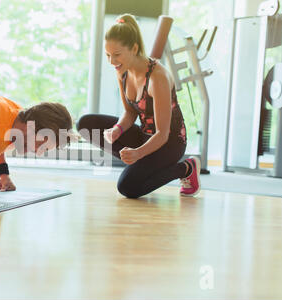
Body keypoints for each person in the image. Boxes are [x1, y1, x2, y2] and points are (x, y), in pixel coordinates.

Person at [77, 14, 201, 199]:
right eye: (108, 55)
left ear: (134, 49)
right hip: (145, 136)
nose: (112, 61)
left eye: (117, 55)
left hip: (169, 143)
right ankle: (142, 166)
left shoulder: (157, 78)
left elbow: (162, 134)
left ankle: (185, 168)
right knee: (85, 124)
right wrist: (117, 129)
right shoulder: (122, 72)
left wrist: (137, 154)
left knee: (128, 187)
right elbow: (129, 111)